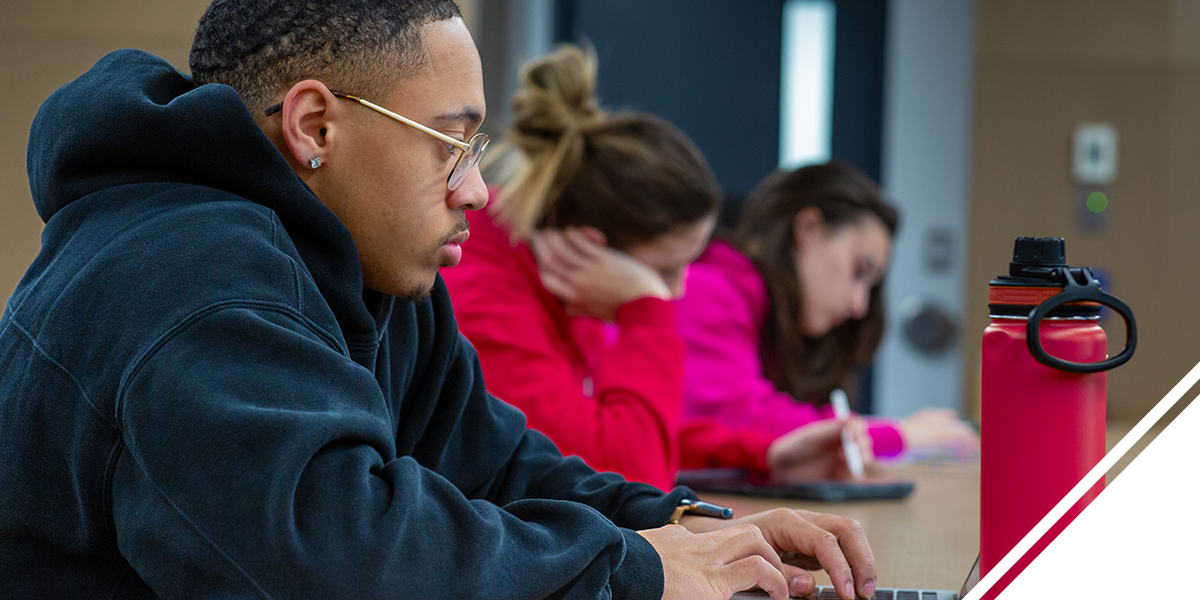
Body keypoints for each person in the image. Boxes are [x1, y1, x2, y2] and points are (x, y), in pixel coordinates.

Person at [0, 3, 878, 599]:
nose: (477, 192)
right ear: (315, 128)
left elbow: (496, 466)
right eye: (448, 145)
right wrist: (637, 572)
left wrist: (694, 530)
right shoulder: (191, 280)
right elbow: (343, 561)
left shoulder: (372, 271)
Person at [442, 45, 873, 493]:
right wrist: (645, 308)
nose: (678, 291)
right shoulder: (487, 296)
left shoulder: (556, 283)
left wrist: (762, 455)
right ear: (592, 250)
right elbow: (628, 481)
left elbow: (610, 424)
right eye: (666, 270)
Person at [678, 162, 979, 458]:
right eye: (859, 271)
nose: (858, 305)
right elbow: (739, 420)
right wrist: (897, 435)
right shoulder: (707, 288)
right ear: (809, 229)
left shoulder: (771, 322)